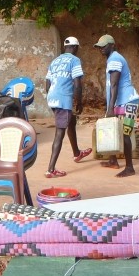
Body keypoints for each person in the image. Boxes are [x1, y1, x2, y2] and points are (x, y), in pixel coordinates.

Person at [43, 36, 92, 178]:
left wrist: (53, 96)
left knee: (71, 121)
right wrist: (79, 102)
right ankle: (50, 169)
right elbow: (77, 83)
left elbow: (47, 83)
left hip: (52, 96)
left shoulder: (55, 61)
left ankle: (77, 153)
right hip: (63, 98)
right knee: (60, 132)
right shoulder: (75, 60)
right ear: (76, 48)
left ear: (65, 47)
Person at [94, 34, 139, 177]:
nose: (101, 48)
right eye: (99, 46)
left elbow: (114, 84)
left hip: (129, 101)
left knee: (125, 134)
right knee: (113, 130)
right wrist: (111, 106)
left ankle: (130, 168)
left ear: (112, 45)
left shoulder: (114, 59)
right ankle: (113, 160)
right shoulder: (112, 59)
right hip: (120, 102)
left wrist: (109, 108)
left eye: (104, 46)